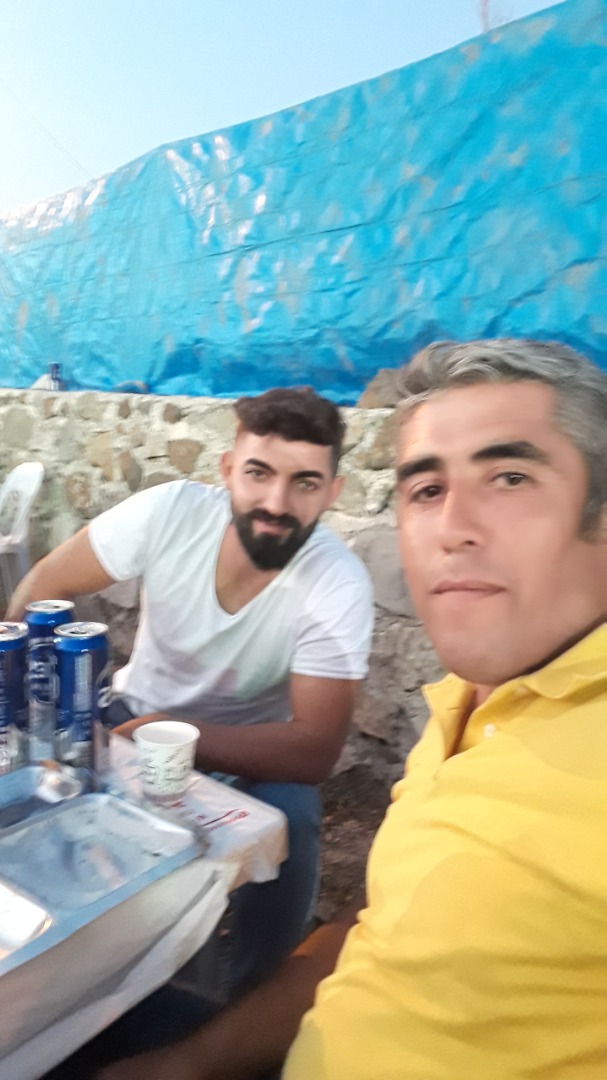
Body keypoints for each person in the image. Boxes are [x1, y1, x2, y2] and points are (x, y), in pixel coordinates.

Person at [96, 338, 607, 1080]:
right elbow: (380, 930)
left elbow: (312, 750)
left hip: (224, 750)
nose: (453, 526)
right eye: (426, 489)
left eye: (509, 477)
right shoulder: (462, 707)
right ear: (226, 472)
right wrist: (187, 1063)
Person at [8, 386, 374, 1003]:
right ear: (227, 469)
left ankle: (254, 997)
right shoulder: (171, 513)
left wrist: (169, 735)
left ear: (332, 492)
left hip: (249, 749)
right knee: (45, 798)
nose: (276, 503)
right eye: (258, 473)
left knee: (294, 818)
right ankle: (66, 975)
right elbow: (46, 583)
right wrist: (17, 689)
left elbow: (314, 750)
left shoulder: (337, 582)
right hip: (129, 710)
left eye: (305, 483)